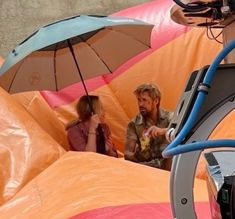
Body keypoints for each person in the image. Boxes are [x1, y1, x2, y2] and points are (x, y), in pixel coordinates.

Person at [124, 83, 173, 170]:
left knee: (170, 155)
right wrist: (144, 146)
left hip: (168, 167)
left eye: (144, 100)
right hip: (146, 168)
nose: (140, 104)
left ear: (156, 101)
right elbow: (127, 154)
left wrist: (163, 131)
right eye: (139, 100)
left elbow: (184, 130)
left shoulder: (169, 117)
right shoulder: (134, 124)